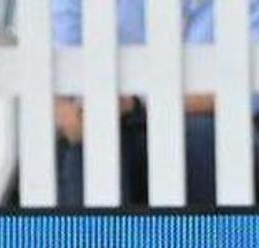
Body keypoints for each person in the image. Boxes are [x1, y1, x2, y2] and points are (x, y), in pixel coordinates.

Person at [52, 0, 259, 206]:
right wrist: (69, 114)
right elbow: (57, 71)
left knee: (203, 135)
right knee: (92, 144)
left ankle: (205, 237)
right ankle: (96, 238)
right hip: (113, 118)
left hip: (201, 124)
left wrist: (139, 105)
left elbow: (249, 88)